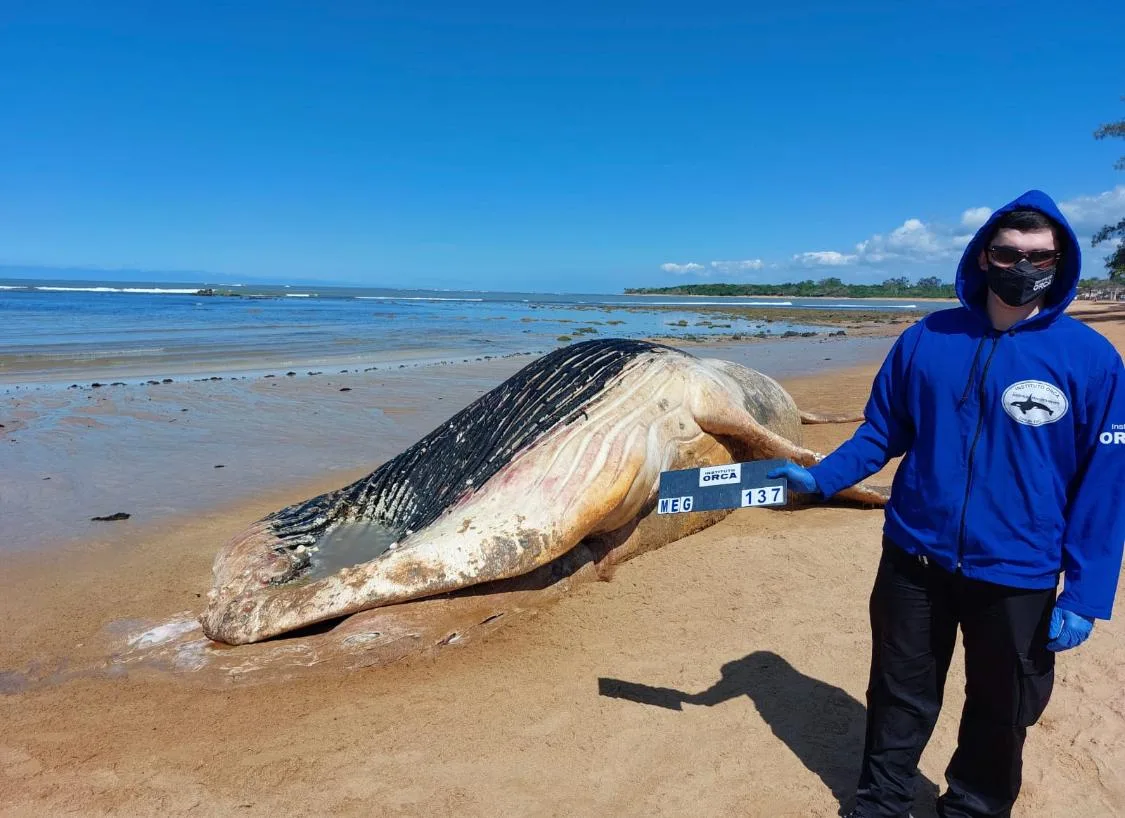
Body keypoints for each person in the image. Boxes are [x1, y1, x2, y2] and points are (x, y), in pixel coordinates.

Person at [768, 189, 1125, 818]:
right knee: (898, 694)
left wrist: (1086, 595)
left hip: (1019, 572)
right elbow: (882, 431)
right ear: (983, 257)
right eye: (1008, 253)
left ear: (1060, 261)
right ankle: (880, 802)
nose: (1022, 267)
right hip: (915, 558)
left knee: (1000, 707)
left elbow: (1105, 482)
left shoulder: (1090, 359)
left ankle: (974, 807)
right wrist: (821, 478)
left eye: (1039, 256)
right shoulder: (926, 338)